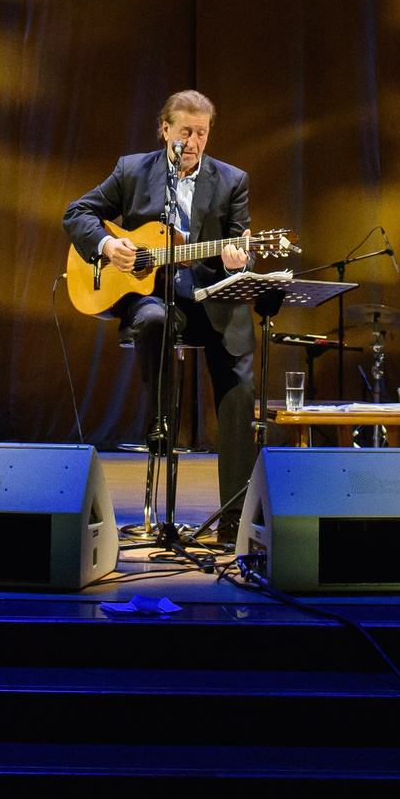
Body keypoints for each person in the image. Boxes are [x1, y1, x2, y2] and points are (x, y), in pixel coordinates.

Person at [62, 91, 259, 537]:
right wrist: (108, 245)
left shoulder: (232, 181)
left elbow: (240, 246)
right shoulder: (133, 170)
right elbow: (77, 213)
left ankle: (233, 520)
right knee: (153, 320)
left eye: (202, 133)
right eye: (186, 131)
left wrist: (238, 260)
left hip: (211, 300)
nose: (194, 141)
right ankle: (159, 420)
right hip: (152, 297)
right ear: (165, 129)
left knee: (239, 392)